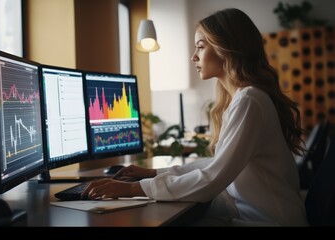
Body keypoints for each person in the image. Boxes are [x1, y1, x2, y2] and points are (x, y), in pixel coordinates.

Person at [82, 8, 308, 226]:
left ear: (225, 48)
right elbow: (218, 164)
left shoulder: (249, 100)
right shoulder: (245, 99)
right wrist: (153, 173)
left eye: (200, 47)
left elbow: (212, 178)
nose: (193, 57)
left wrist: (132, 188)